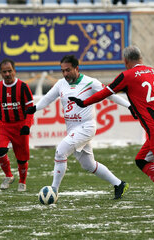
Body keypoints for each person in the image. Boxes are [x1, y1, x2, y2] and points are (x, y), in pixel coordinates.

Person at [69, 46, 154, 219]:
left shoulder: (126, 76)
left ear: (126, 61)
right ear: (141, 58)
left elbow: (105, 92)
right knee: (142, 160)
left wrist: (84, 103)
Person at [25, 55, 133, 200]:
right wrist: (35, 108)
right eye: (62, 71)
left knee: (60, 152)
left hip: (86, 127)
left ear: (77, 68)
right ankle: (119, 184)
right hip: (72, 128)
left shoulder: (91, 82)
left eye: (68, 70)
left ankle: (53, 191)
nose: (65, 74)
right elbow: (48, 98)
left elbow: (110, 94)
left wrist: (130, 106)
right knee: (89, 165)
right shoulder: (60, 84)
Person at [0, 58, 34, 192]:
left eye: (9, 71)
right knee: (0, 151)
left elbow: (30, 109)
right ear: (0, 73)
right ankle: (8, 175)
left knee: (22, 158)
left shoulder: (23, 87)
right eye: (4, 72)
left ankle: (22, 181)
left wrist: (27, 125)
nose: (7, 74)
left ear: (14, 71)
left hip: (20, 126)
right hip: (4, 126)